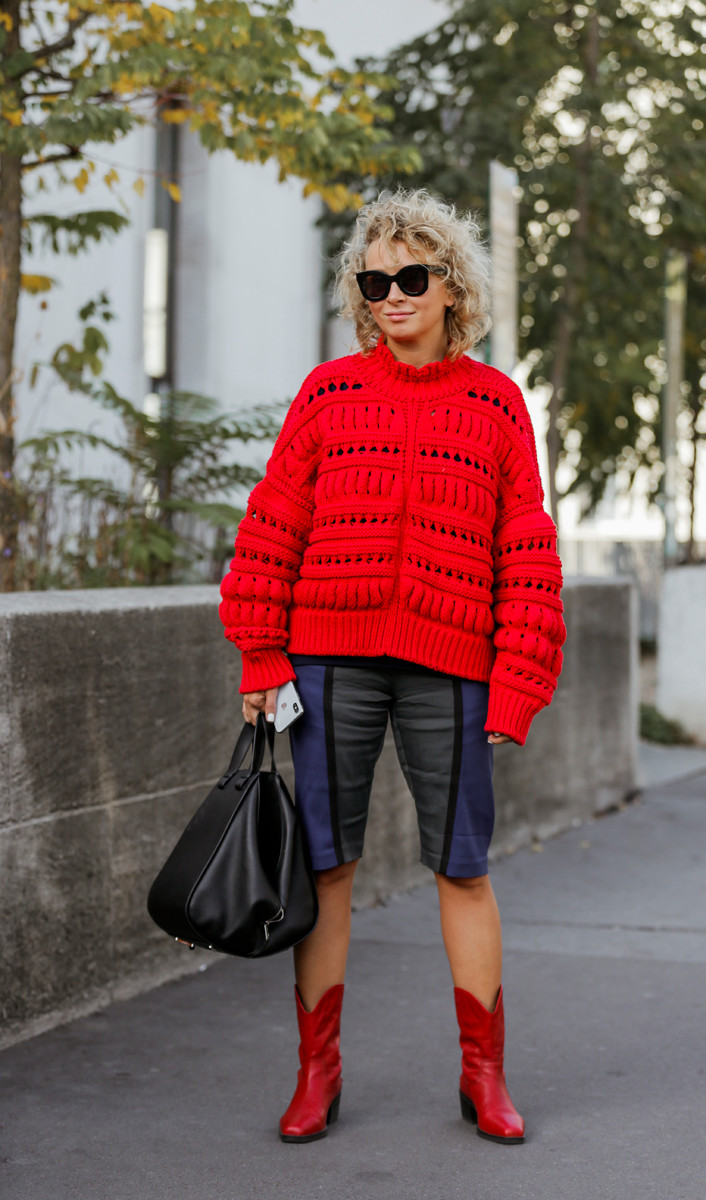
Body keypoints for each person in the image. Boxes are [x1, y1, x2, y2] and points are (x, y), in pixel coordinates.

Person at [219, 189, 566, 1145]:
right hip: (327, 664)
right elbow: (274, 525)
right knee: (327, 869)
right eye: (375, 283)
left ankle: (484, 1076)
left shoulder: (497, 403)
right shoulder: (328, 394)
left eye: (412, 276)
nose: (393, 295)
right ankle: (317, 1073)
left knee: (464, 870)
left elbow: (525, 550)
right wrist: (260, 651)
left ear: (453, 287)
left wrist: (518, 679)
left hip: (451, 669)